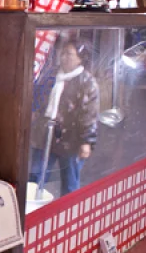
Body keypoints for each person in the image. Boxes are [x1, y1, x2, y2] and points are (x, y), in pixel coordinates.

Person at [29, 37, 100, 196]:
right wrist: (34, 113)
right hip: (45, 133)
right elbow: (38, 95)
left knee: (70, 180)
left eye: (69, 54)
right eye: (63, 53)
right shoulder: (51, 74)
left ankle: (68, 213)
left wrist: (86, 142)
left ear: (80, 58)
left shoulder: (87, 82)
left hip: (71, 138)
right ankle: (35, 209)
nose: (64, 57)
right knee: (36, 176)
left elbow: (90, 115)